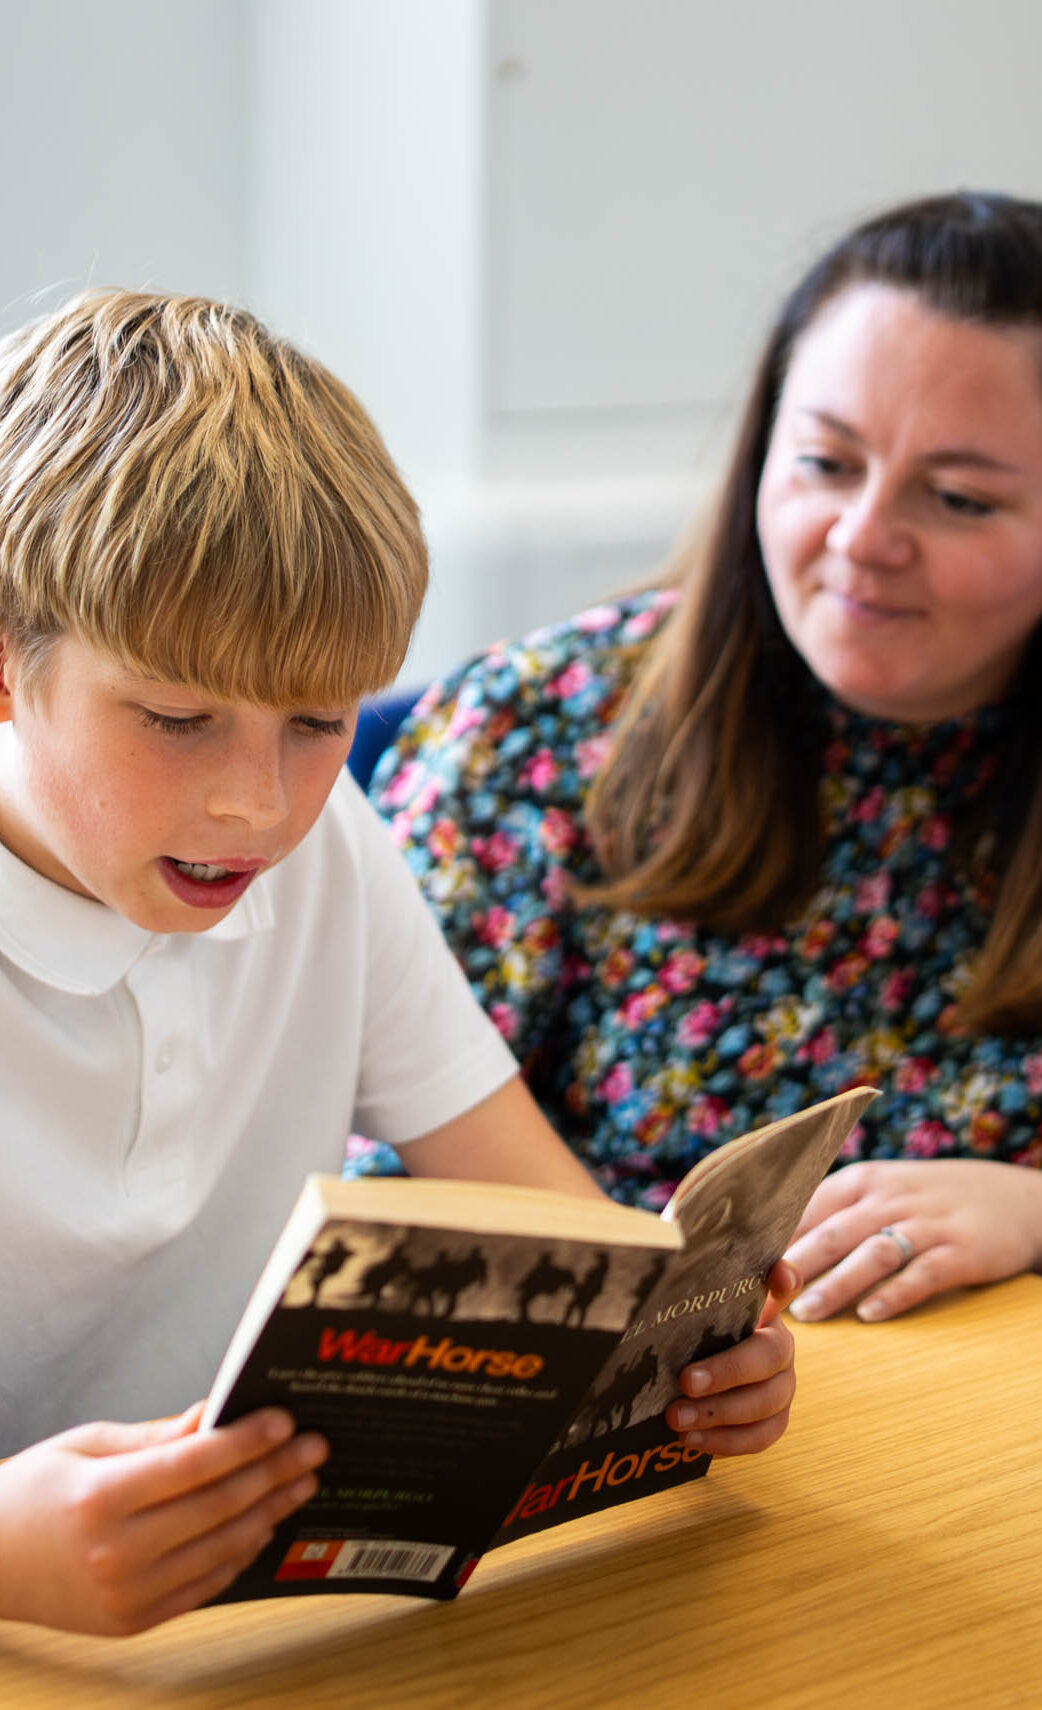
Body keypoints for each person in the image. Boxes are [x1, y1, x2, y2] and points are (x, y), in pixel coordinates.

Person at [0, 290, 795, 1637]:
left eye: (319, 723)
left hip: (252, 1626)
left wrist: (682, 1354)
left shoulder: (326, 851)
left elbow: (555, 1226)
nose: (259, 805)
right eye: (178, 718)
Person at [360, 190, 1042, 1335]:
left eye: (958, 498)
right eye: (823, 462)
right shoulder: (530, 735)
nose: (862, 538)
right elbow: (374, 1207)